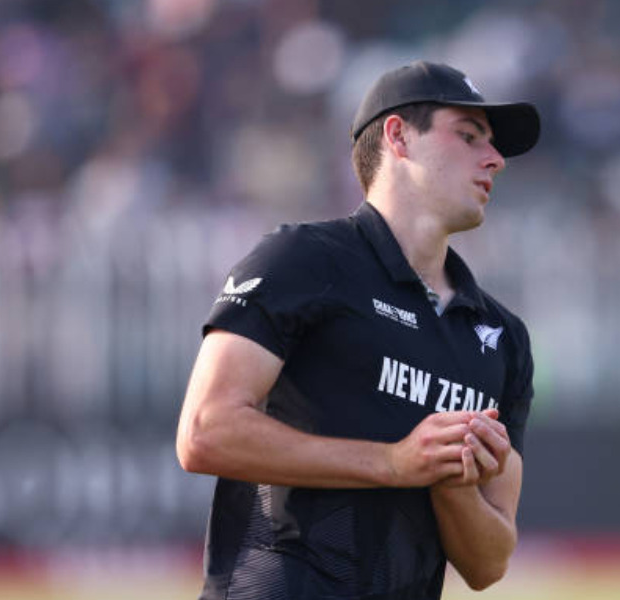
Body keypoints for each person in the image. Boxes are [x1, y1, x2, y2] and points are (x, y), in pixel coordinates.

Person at [176, 60, 540, 600]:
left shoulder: (503, 337)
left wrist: (451, 478)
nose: (495, 159)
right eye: (468, 136)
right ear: (398, 137)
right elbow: (204, 432)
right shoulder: (303, 259)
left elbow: (488, 564)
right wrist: (393, 462)